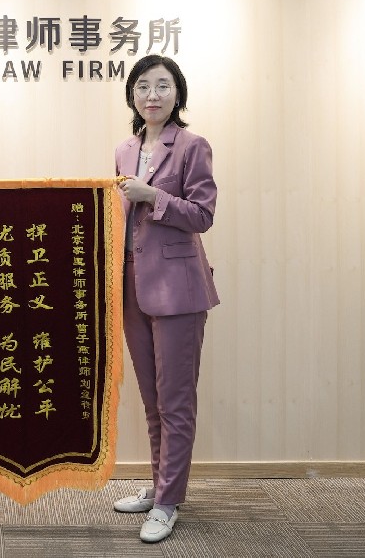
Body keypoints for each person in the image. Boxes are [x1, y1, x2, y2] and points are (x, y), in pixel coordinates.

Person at [112, 54, 219, 543]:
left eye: (162, 85)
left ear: (178, 94)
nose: (151, 95)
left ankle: (169, 501)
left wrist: (152, 196)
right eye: (142, 86)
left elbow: (202, 215)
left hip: (179, 290)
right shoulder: (124, 150)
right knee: (152, 400)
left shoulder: (193, 146)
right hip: (132, 287)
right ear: (132, 95)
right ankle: (159, 488)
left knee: (176, 402)